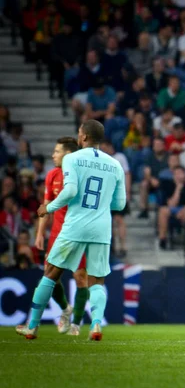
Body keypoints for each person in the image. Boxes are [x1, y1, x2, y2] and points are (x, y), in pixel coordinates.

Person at [16, 120, 126, 340]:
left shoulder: (72, 159)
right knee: (96, 281)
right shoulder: (115, 164)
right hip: (101, 229)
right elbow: (120, 204)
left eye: (79, 133)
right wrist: (102, 205)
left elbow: (71, 190)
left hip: (75, 225)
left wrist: (49, 207)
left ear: (84, 137)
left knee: (50, 274)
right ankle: (95, 325)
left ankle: (32, 326)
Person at [31, 137, 88, 336]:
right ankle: (65, 309)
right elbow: (46, 206)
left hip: (78, 233)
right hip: (57, 234)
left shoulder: (81, 175)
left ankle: (77, 325)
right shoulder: (52, 175)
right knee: (50, 277)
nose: (52, 155)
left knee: (80, 277)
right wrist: (40, 233)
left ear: (68, 155)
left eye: (57, 151)